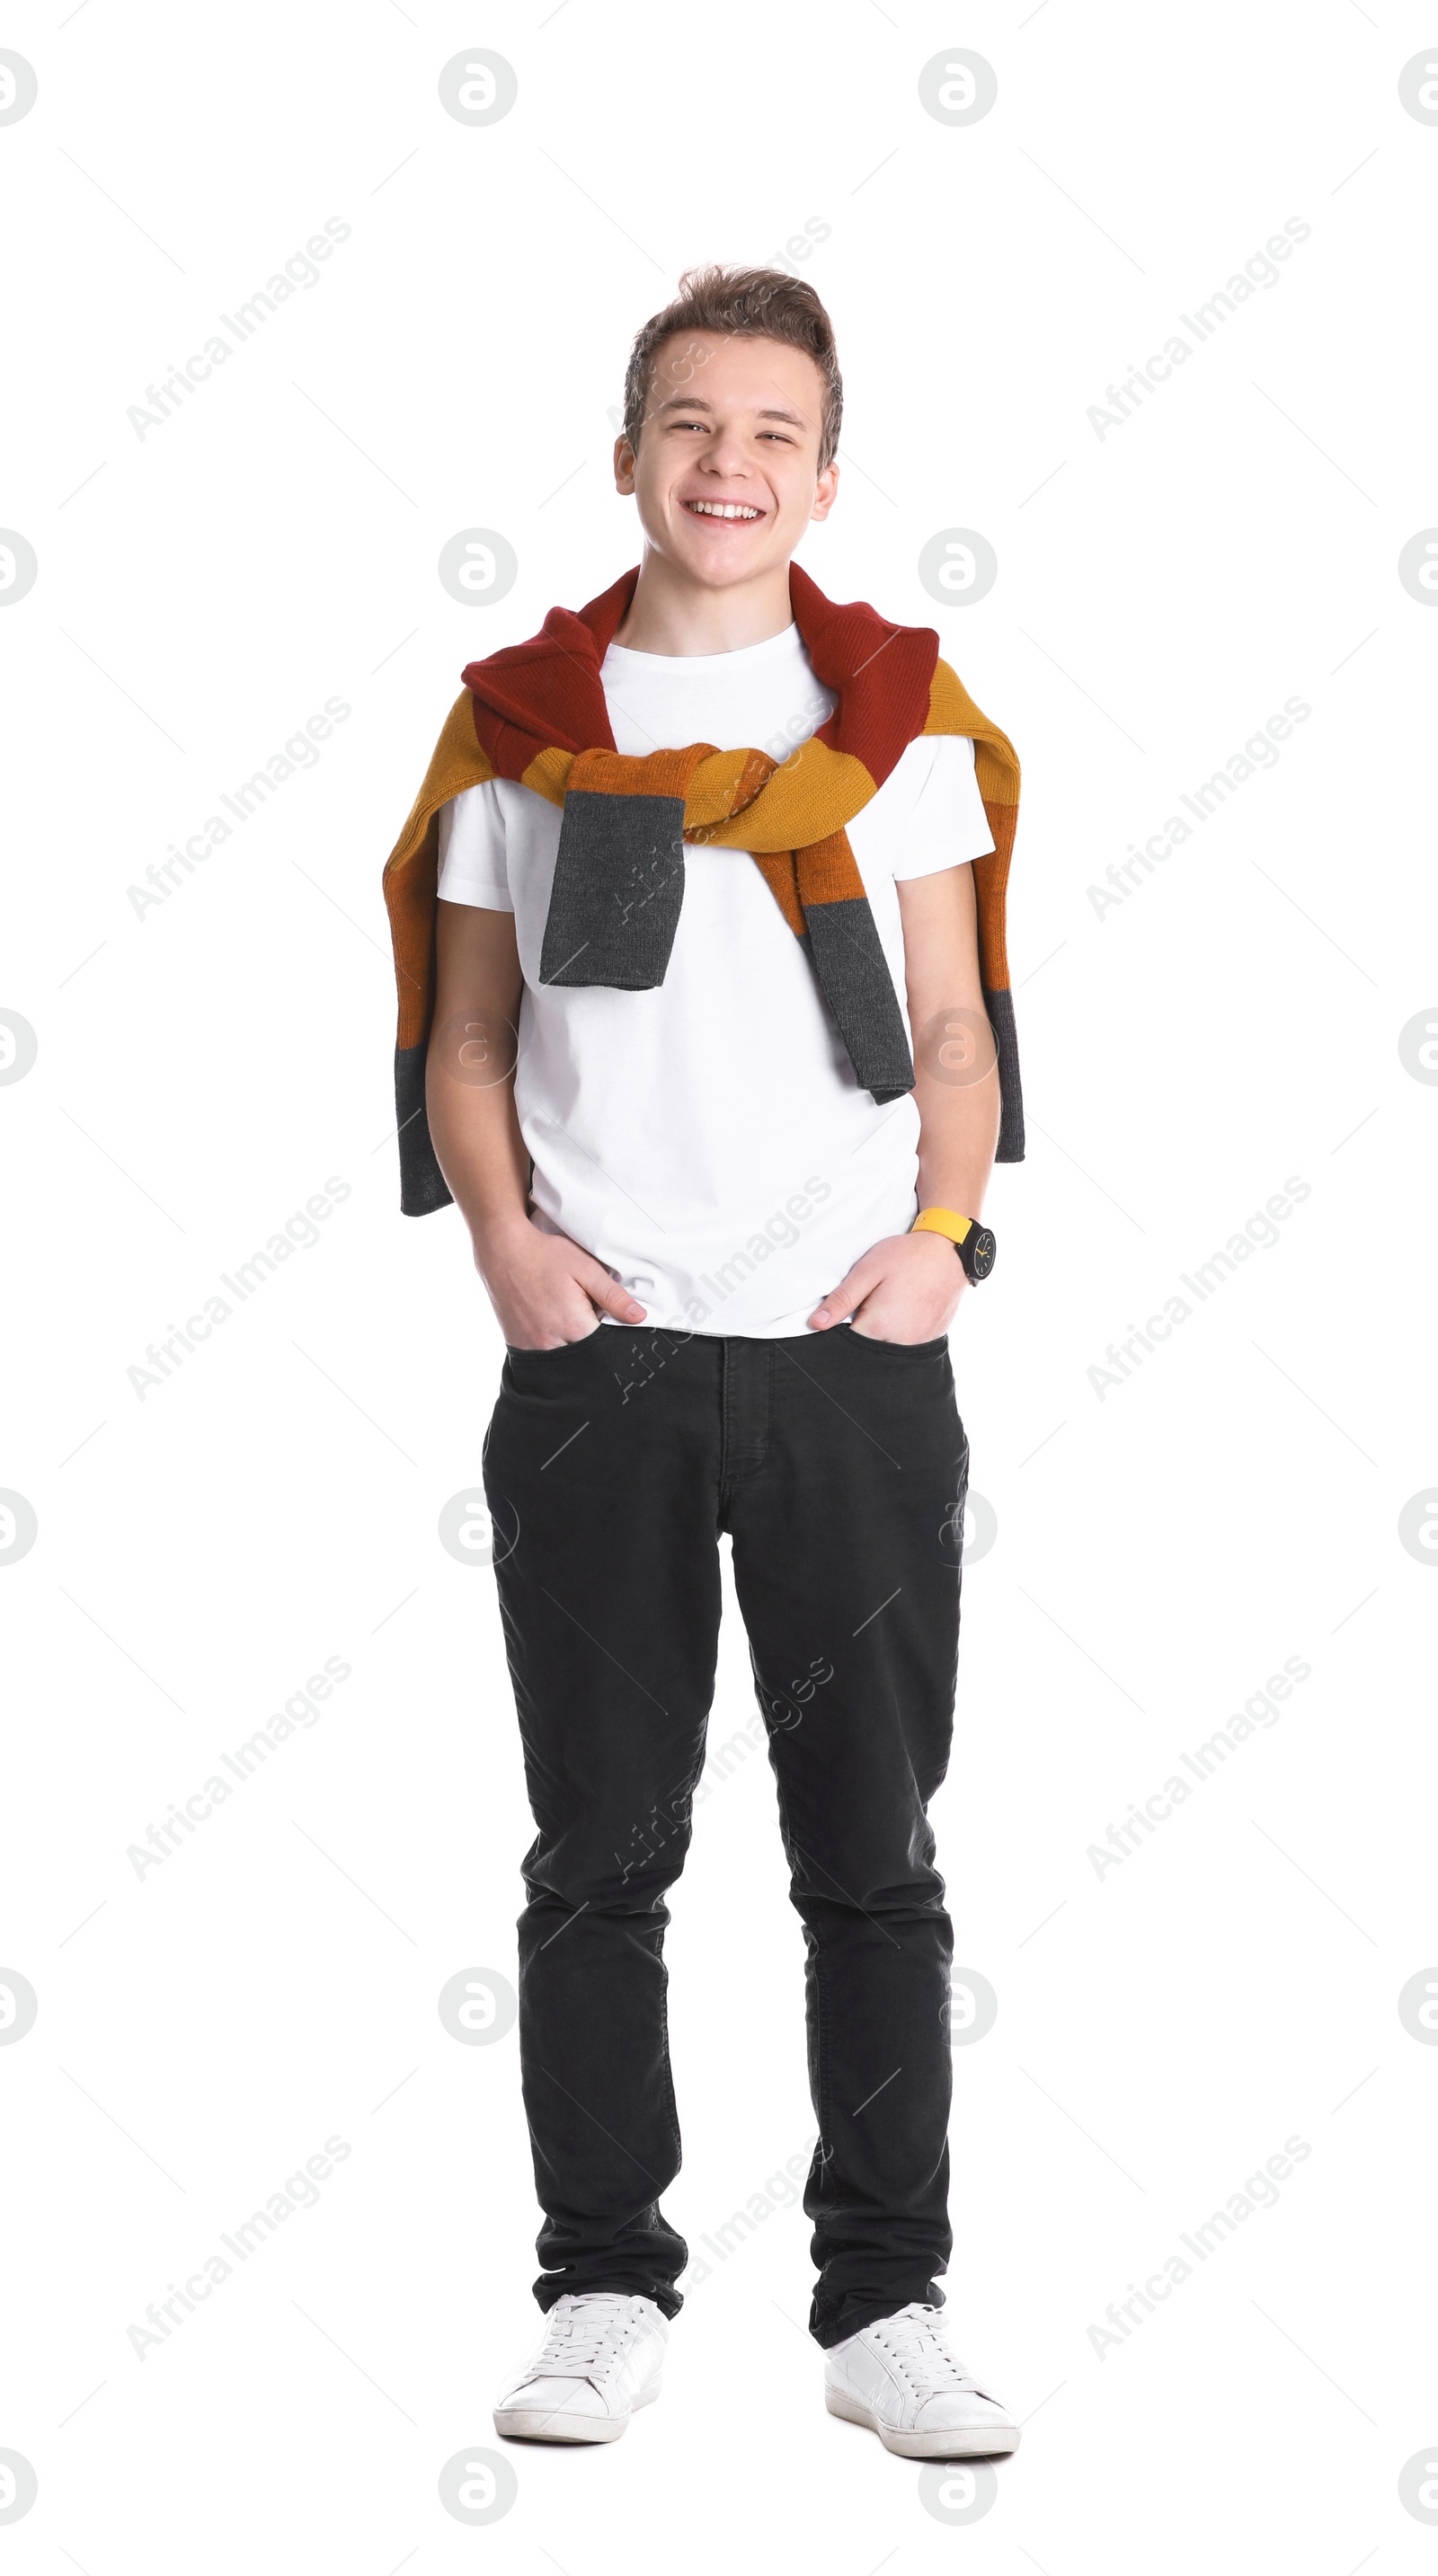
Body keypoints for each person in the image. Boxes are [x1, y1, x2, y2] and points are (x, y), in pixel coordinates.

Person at [381, 264, 1026, 2459]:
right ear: (629, 452)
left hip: (850, 1362)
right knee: (597, 1856)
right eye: (687, 423)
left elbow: (951, 1024)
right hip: (606, 1361)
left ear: (822, 474)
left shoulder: (899, 729)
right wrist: (504, 1250)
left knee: (873, 1854)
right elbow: (472, 1033)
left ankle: (882, 2306)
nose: (726, 464)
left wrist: (942, 1242)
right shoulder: (521, 732)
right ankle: (598, 2288)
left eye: (769, 431)